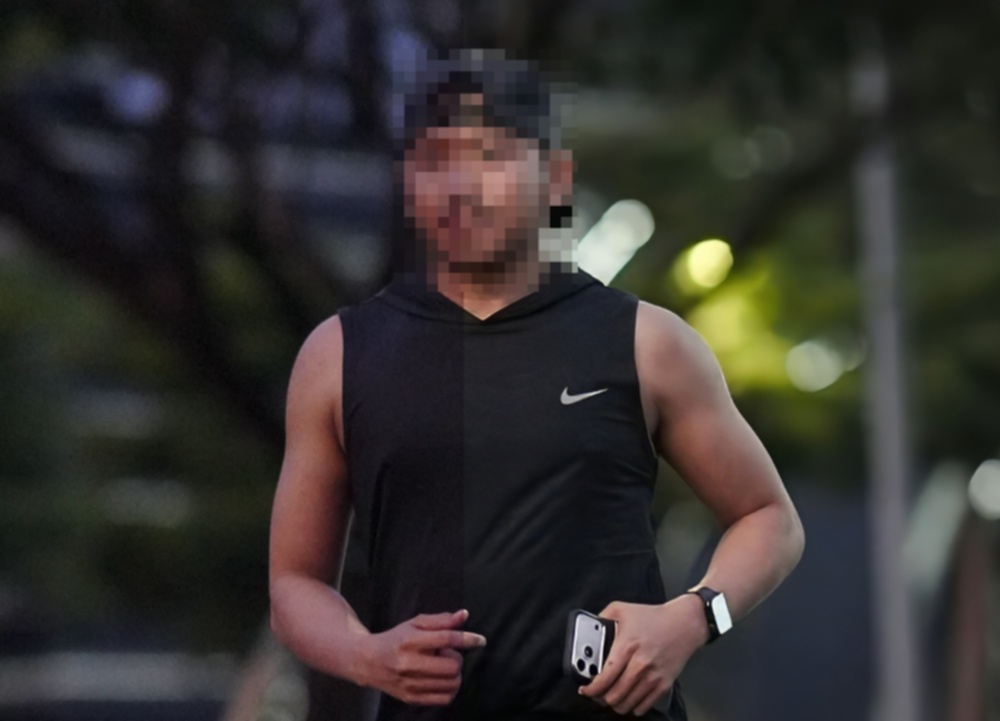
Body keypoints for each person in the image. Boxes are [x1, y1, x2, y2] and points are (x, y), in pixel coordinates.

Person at [268, 49, 805, 721]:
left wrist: (692, 618)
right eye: (435, 162)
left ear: (555, 177)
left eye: (489, 157)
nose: (460, 186)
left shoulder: (645, 342)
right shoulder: (341, 354)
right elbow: (294, 583)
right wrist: (364, 654)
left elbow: (770, 519)